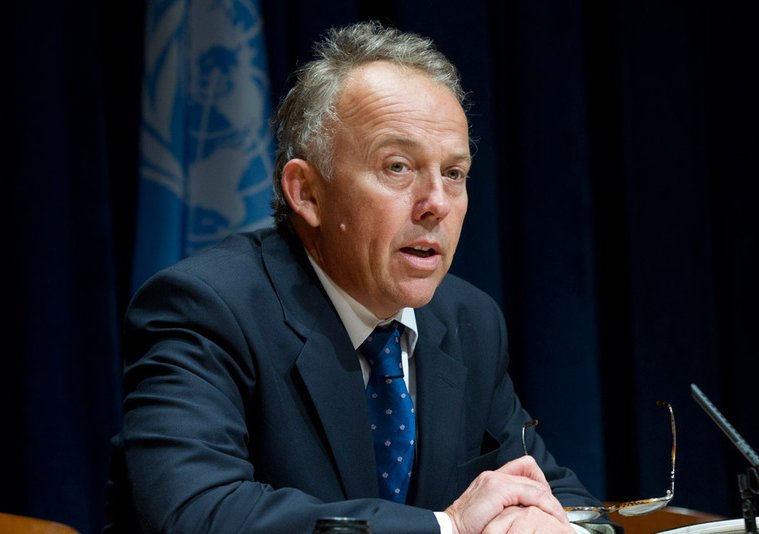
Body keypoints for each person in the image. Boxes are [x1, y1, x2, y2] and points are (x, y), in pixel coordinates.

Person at [105, 21, 613, 534]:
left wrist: (556, 527)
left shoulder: (468, 321)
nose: (436, 203)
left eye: (454, 173)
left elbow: (559, 495)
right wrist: (445, 527)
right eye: (398, 167)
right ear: (307, 192)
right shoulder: (208, 309)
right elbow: (194, 511)